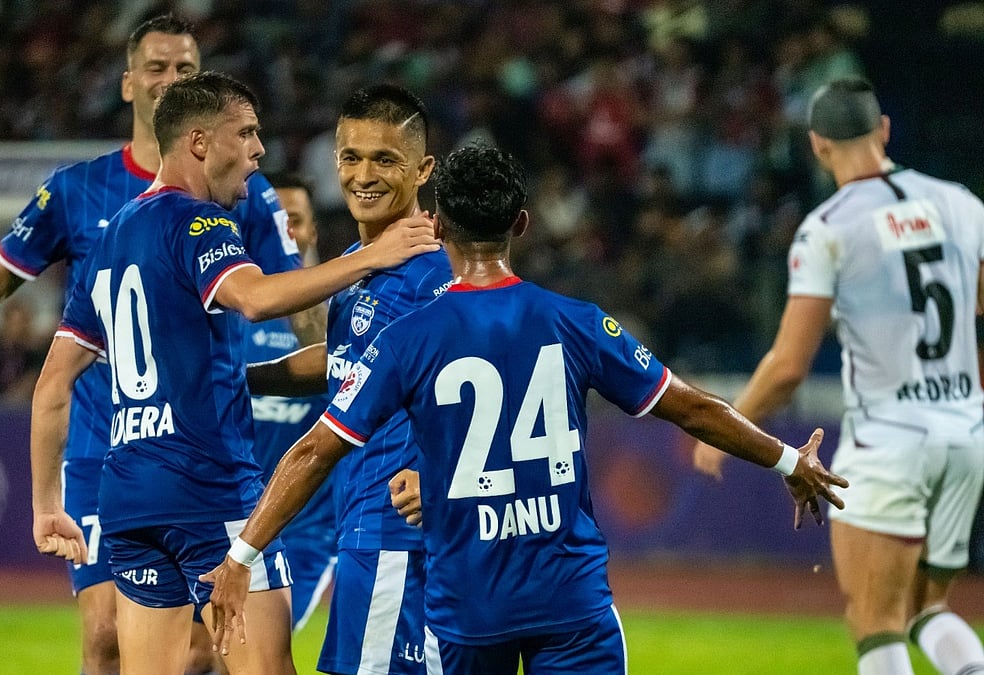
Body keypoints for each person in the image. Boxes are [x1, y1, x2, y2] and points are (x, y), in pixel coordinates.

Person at [202, 143, 848, 675]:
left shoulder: (408, 339)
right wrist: (789, 459)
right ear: (521, 224)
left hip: (466, 612)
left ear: (441, 228)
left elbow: (318, 448)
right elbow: (691, 408)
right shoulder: (577, 323)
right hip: (571, 605)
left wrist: (240, 556)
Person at [0, 15, 315, 674]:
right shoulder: (78, 190)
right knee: (106, 639)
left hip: (201, 447)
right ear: (128, 82)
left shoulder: (240, 188)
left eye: (184, 69)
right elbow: (1, 268)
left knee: (213, 643)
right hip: (104, 450)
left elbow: (290, 292)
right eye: (156, 67)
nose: (170, 79)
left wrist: (336, 341)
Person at [30, 72, 439, 675]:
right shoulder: (200, 223)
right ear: (201, 142)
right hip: (210, 487)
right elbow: (256, 298)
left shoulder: (112, 236)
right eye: (246, 133)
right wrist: (376, 256)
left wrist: (46, 505)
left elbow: (51, 386)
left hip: (128, 498)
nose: (258, 151)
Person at [693, 78, 984, 675]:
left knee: (875, 622)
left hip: (890, 443)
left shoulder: (827, 228)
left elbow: (787, 366)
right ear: (883, 130)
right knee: (929, 611)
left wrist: (728, 426)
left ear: (818, 145)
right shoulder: (961, 203)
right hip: (965, 437)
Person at [252, 83, 452, 675]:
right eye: (351, 157)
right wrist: (237, 381)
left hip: (398, 539)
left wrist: (437, 472)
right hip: (368, 535)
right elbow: (341, 364)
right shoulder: (369, 264)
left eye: (385, 159)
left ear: (423, 170)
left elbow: (471, 382)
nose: (364, 175)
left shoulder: (429, 272)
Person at [244, 171, 336, 632]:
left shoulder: (337, 312)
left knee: (257, 650)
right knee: (197, 654)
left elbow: (331, 361)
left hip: (304, 529)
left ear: (312, 231)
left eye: (293, 221)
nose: (285, 231)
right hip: (228, 512)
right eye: (273, 220)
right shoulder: (227, 310)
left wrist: (293, 273)